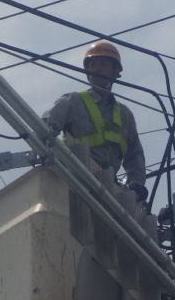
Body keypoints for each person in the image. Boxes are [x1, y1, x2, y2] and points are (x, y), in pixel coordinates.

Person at [42, 41, 148, 201]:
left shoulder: (125, 115)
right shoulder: (73, 102)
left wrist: (137, 184)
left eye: (103, 64)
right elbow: (44, 128)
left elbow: (135, 154)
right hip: (76, 180)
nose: (97, 69)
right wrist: (51, 158)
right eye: (92, 65)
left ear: (115, 72)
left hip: (109, 189)